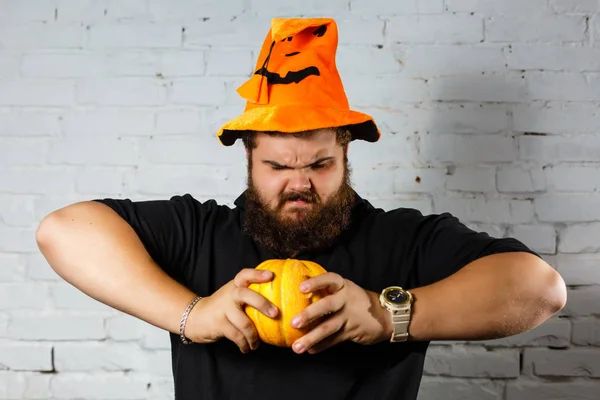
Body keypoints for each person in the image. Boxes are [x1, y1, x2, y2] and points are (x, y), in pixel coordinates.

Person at [36, 17, 567, 400]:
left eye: (318, 164)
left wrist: (388, 315)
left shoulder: (403, 239)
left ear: (345, 153)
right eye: (277, 167)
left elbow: (540, 289)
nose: (299, 185)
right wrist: (191, 315)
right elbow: (62, 231)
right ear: (249, 157)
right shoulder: (200, 231)